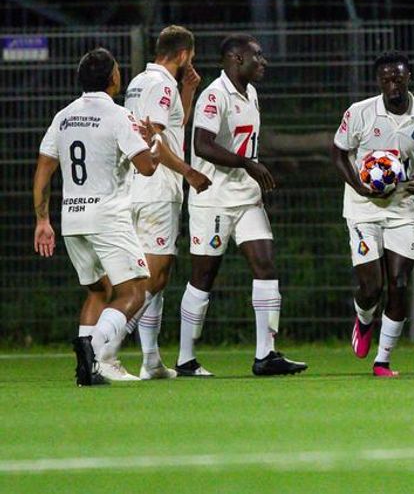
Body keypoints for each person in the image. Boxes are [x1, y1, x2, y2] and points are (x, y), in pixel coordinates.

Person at [177, 34, 307, 377]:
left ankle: (266, 355)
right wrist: (247, 164)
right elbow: (202, 145)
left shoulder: (251, 93)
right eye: (257, 56)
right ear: (236, 59)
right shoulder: (214, 96)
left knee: (265, 266)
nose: (263, 62)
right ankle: (185, 358)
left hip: (246, 198)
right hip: (214, 201)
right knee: (204, 276)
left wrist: (253, 169)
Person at [32, 47, 159, 386]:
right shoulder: (119, 115)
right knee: (135, 291)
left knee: (98, 291)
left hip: (72, 218)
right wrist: (153, 143)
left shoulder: (63, 116)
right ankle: (95, 349)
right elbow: (146, 167)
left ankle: (90, 370)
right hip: (108, 215)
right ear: (113, 78)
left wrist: (42, 220)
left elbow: (44, 169)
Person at [98, 25, 211, 380]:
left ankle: (151, 360)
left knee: (150, 276)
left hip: (134, 188)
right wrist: (190, 172)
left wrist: (188, 91)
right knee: (154, 278)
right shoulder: (162, 85)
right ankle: (103, 349)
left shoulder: (140, 82)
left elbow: (170, 127)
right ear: (183, 55)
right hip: (157, 190)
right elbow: (157, 144)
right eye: (189, 57)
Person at [332, 51, 414, 377]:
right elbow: (339, 153)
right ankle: (364, 318)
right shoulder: (359, 113)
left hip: (401, 208)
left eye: (397, 78)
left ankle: (382, 361)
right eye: (386, 79)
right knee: (372, 287)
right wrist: (358, 185)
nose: (392, 84)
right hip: (362, 208)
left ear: (408, 77)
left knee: (399, 283)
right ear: (379, 81)